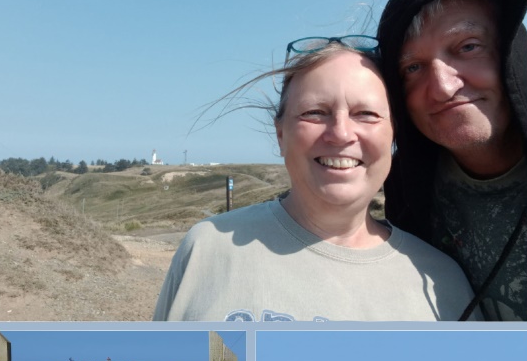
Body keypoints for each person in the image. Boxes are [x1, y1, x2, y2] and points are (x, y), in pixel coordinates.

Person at [153, 37, 481, 321]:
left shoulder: (444, 281)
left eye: (365, 114)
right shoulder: (207, 247)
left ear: (393, 136)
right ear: (281, 134)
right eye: (314, 112)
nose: (340, 133)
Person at [377, 0, 527, 321]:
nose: (443, 87)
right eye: (412, 68)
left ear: (511, 53)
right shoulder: (407, 188)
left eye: (467, 47)